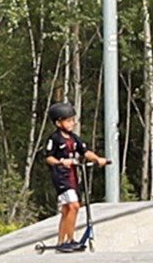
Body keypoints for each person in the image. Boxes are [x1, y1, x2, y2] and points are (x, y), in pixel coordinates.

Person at [39, 102, 106, 252]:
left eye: (72, 120)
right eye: (68, 121)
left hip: (73, 177)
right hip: (61, 178)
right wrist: (61, 162)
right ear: (58, 123)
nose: (72, 123)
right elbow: (48, 157)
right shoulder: (55, 139)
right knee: (73, 206)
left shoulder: (74, 138)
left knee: (68, 209)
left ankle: (61, 241)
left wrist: (98, 159)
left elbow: (85, 152)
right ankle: (69, 240)